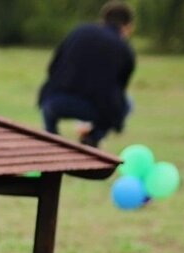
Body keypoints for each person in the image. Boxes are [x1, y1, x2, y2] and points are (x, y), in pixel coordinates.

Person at [38, 1, 136, 148]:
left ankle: (50, 136)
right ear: (128, 27)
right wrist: (116, 123)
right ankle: (92, 139)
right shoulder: (125, 50)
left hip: (54, 102)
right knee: (127, 104)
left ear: (102, 20)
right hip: (93, 108)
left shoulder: (80, 31)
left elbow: (53, 67)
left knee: (50, 103)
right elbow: (119, 90)